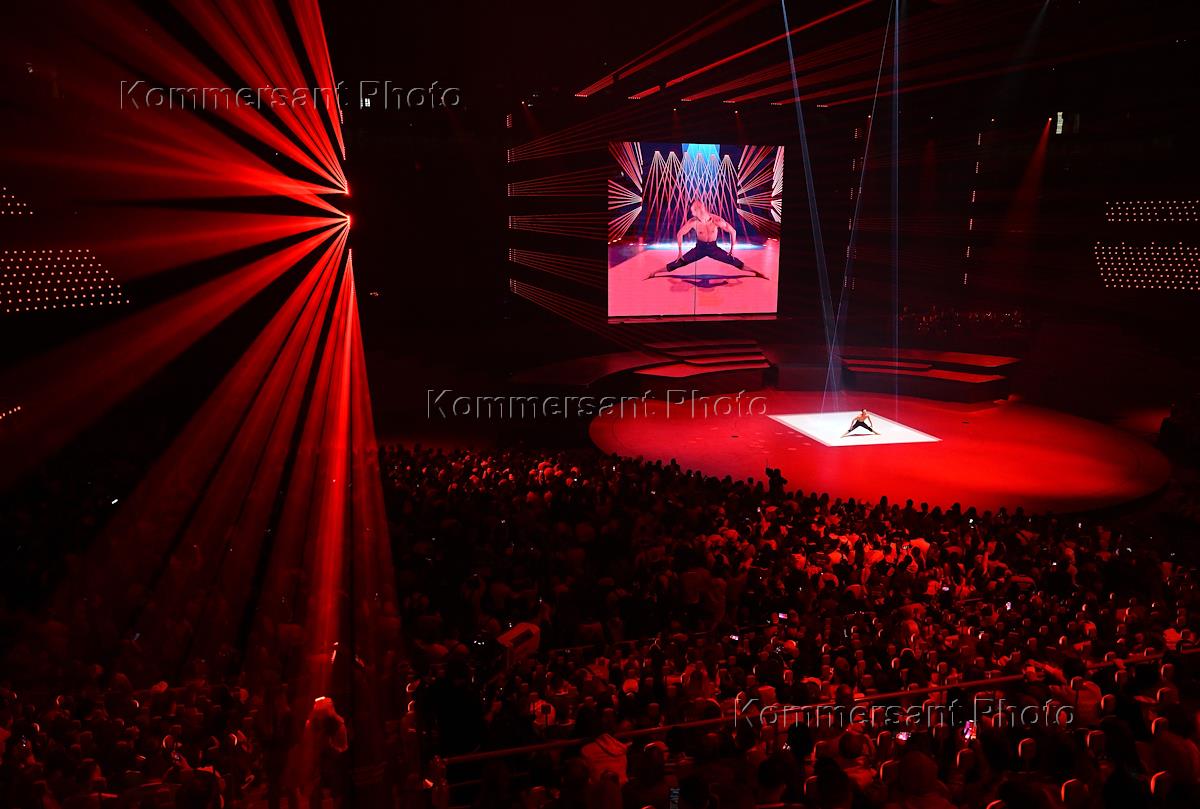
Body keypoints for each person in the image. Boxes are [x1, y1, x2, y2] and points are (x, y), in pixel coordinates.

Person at [667, 198, 745, 271]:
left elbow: (733, 231)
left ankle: (751, 271)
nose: (697, 210)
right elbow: (680, 234)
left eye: (699, 207)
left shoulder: (716, 220)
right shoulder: (693, 222)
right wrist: (680, 252)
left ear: (702, 207)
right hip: (700, 248)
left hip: (713, 248)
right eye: (695, 209)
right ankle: (659, 272)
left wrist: (732, 249)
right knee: (679, 262)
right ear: (694, 212)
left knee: (733, 260)